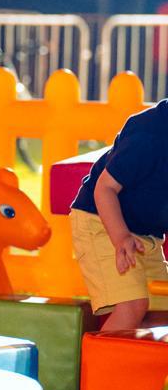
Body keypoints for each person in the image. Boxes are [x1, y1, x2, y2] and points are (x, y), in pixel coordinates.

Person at [69, 100, 168, 331]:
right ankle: (100, 356)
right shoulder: (149, 135)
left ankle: (133, 354)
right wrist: (121, 237)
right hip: (102, 222)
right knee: (133, 306)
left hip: (146, 235)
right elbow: (104, 189)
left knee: (162, 312)